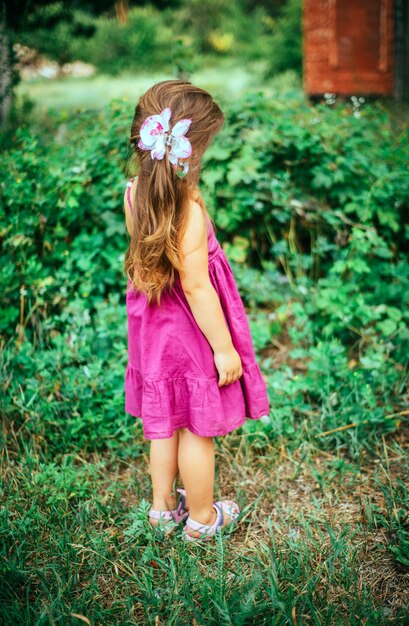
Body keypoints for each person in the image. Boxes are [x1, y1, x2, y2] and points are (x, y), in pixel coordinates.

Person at [123, 79, 270, 542]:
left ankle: (162, 508)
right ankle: (203, 518)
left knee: (163, 423)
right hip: (188, 333)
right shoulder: (188, 211)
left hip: (152, 329)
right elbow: (197, 286)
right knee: (195, 431)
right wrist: (224, 348)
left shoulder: (133, 192)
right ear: (191, 149)